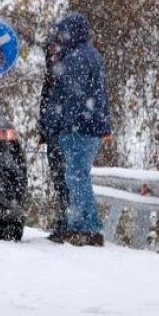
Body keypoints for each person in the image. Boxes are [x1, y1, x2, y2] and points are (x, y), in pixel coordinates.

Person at [39, 12, 113, 247]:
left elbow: (70, 96)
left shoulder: (75, 58)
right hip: (89, 125)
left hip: (78, 127)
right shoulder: (90, 55)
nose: (59, 37)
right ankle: (76, 225)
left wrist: (58, 125)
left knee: (76, 176)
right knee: (75, 176)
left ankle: (89, 228)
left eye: (62, 32)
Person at [38, 35, 71, 242]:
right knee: (60, 180)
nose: (51, 52)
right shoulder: (51, 74)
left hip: (62, 134)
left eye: (54, 49)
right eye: (49, 49)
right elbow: (46, 105)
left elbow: (57, 106)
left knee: (66, 180)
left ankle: (68, 223)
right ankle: (65, 221)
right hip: (53, 134)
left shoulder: (64, 74)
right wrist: (44, 131)